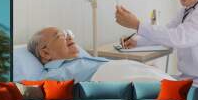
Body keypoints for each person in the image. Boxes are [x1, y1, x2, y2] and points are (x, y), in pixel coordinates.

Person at [27, 27, 174, 82]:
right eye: (61, 36)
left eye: (68, 33)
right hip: (104, 76)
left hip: (117, 66)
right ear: (45, 53)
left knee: (164, 78)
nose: (70, 38)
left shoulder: (79, 60)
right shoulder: (54, 75)